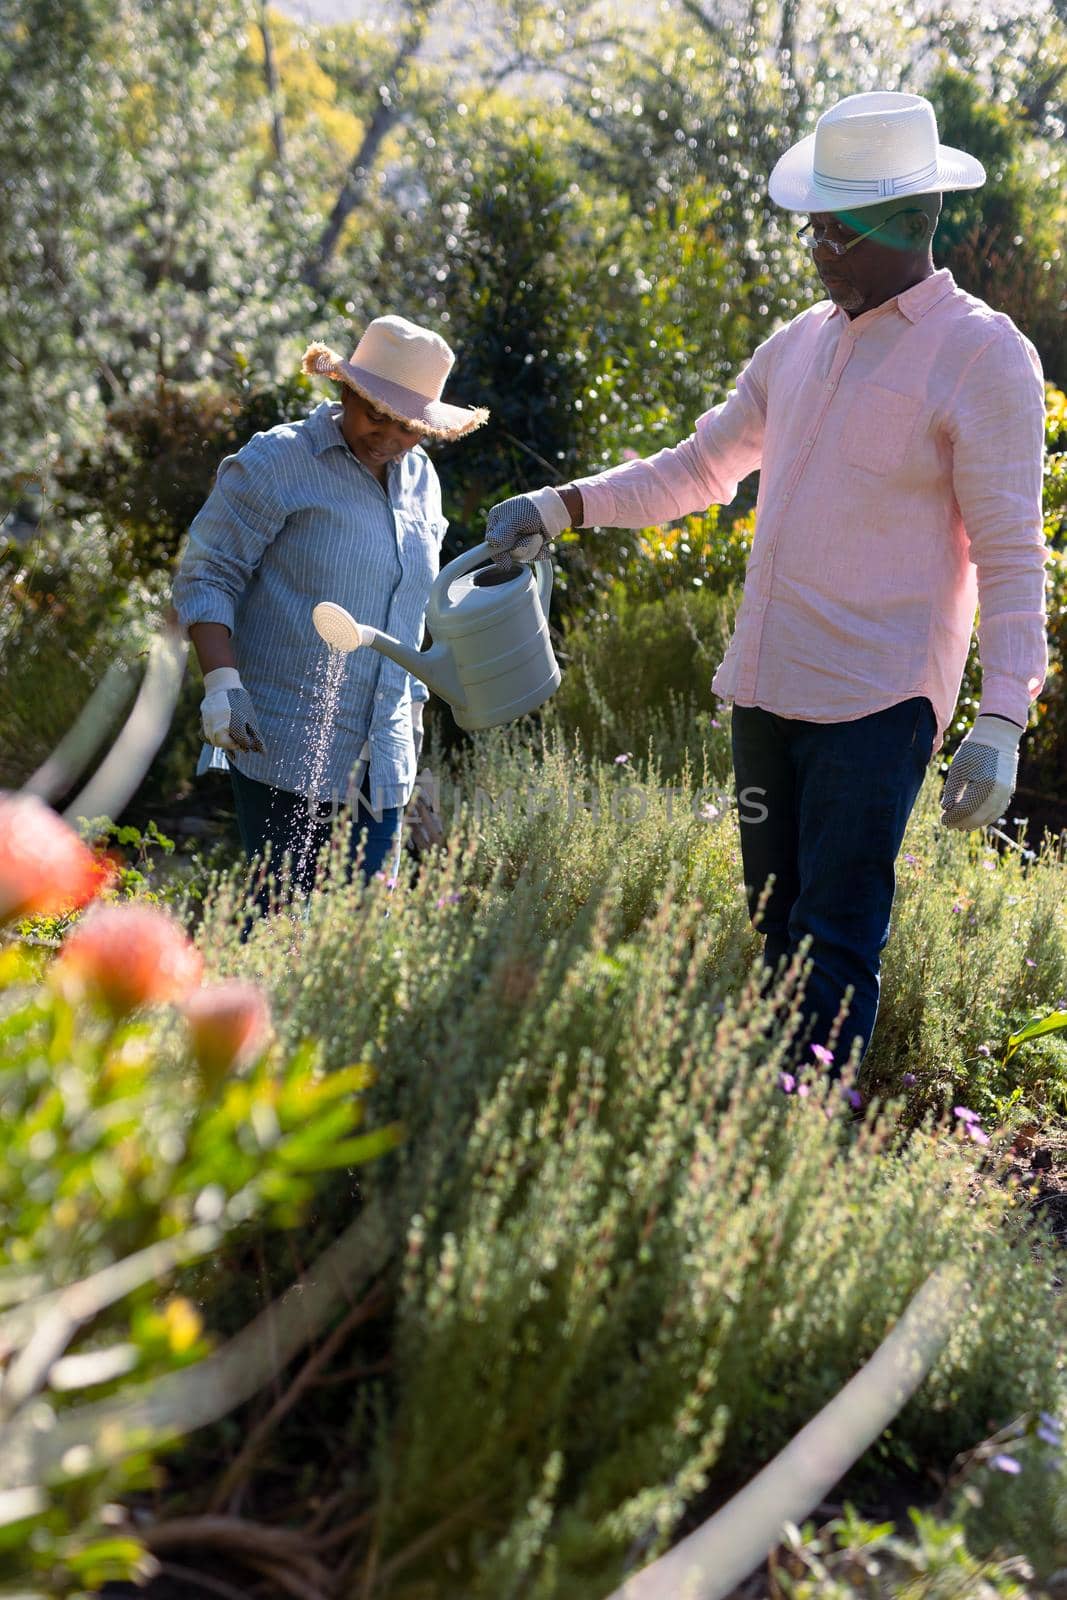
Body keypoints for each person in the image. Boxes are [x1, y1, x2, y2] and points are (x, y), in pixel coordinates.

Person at [485, 91, 1049, 1071]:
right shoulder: (796, 345)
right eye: (811, 230)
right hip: (766, 690)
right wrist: (559, 506)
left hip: (875, 703)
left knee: (832, 931)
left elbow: (1009, 554)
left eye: (830, 233)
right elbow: (695, 468)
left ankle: (802, 1140)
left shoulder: (981, 355)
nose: (814, 251)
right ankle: (763, 1127)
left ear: (900, 226)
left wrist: (999, 717)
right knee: (772, 926)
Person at [173, 315, 486, 908]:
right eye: (377, 414)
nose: (389, 436)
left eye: (410, 425)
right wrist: (221, 684)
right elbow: (208, 572)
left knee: (359, 934)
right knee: (282, 918)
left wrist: (415, 769)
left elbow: (408, 623)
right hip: (281, 739)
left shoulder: (423, 484)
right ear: (347, 391)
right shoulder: (280, 460)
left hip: (384, 757)